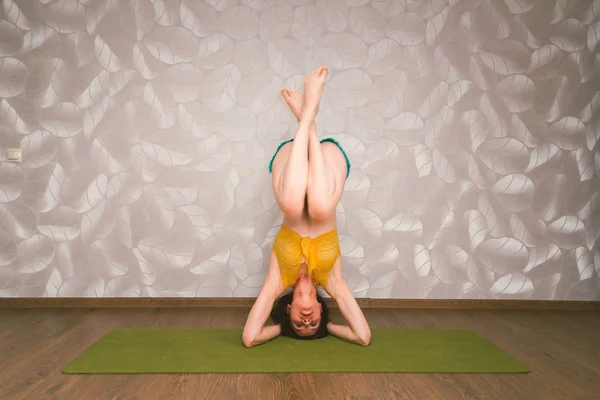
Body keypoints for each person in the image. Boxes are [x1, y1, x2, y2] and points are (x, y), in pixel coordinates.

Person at [242, 66, 371, 348]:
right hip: (326, 160)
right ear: (321, 311)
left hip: (293, 162)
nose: (307, 322)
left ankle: (307, 116)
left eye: (299, 325)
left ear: (289, 312)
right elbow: (363, 336)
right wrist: (329, 328)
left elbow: (250, 338)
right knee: (322, 208)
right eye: (313, 324)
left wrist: (279, 329)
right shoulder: (332, 281)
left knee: (291, 205)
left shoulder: (278, 280)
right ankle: (310, 117)